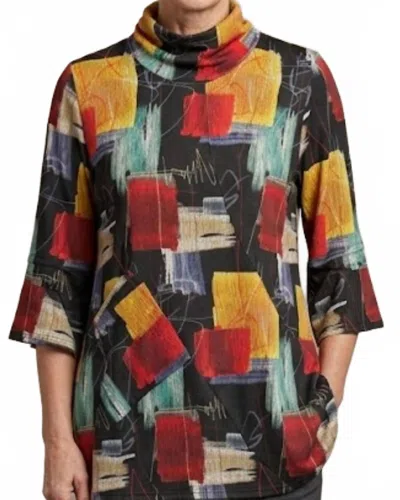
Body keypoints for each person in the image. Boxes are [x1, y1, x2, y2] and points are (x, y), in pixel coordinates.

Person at [8, 0, 384, 499]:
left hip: (274, 452)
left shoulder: (298, 80)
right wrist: (56, 440)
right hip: (123, 454)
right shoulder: (90, 85)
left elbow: (341, 266)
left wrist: (318, 416)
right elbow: (57, 282)